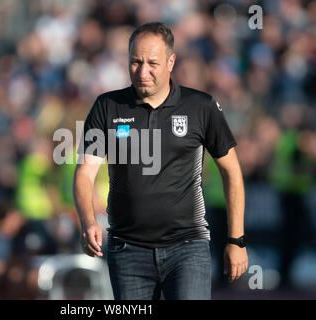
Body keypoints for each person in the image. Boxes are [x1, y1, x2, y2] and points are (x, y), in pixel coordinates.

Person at [73, 22, 248, 300]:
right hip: (127, 250)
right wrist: (87, 221)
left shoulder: (200, 107)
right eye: (135, 62)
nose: (143, 72)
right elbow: (85, 172)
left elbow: (232, 172)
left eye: (152, 63)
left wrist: (236, 239)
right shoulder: (107, 106)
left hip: (188, 248)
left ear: (170, 62)